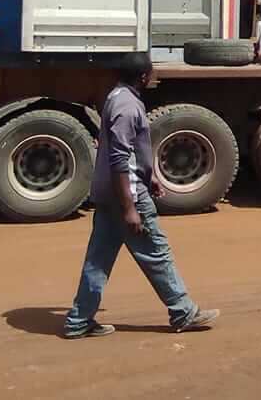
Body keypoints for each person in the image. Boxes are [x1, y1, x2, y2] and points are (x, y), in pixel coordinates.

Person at [62, 52, 219, 339]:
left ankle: (78, 320)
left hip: (113, 193)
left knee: (98, 260)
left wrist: (151, 176)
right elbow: (120, 159)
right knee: (156, 252)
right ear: (144, 76)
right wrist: (130, 207)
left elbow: (131, 153)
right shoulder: (126, 107)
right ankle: (183, 311)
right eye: (152, 71)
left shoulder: (118, 96)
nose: (155, 75)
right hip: (126, 195)